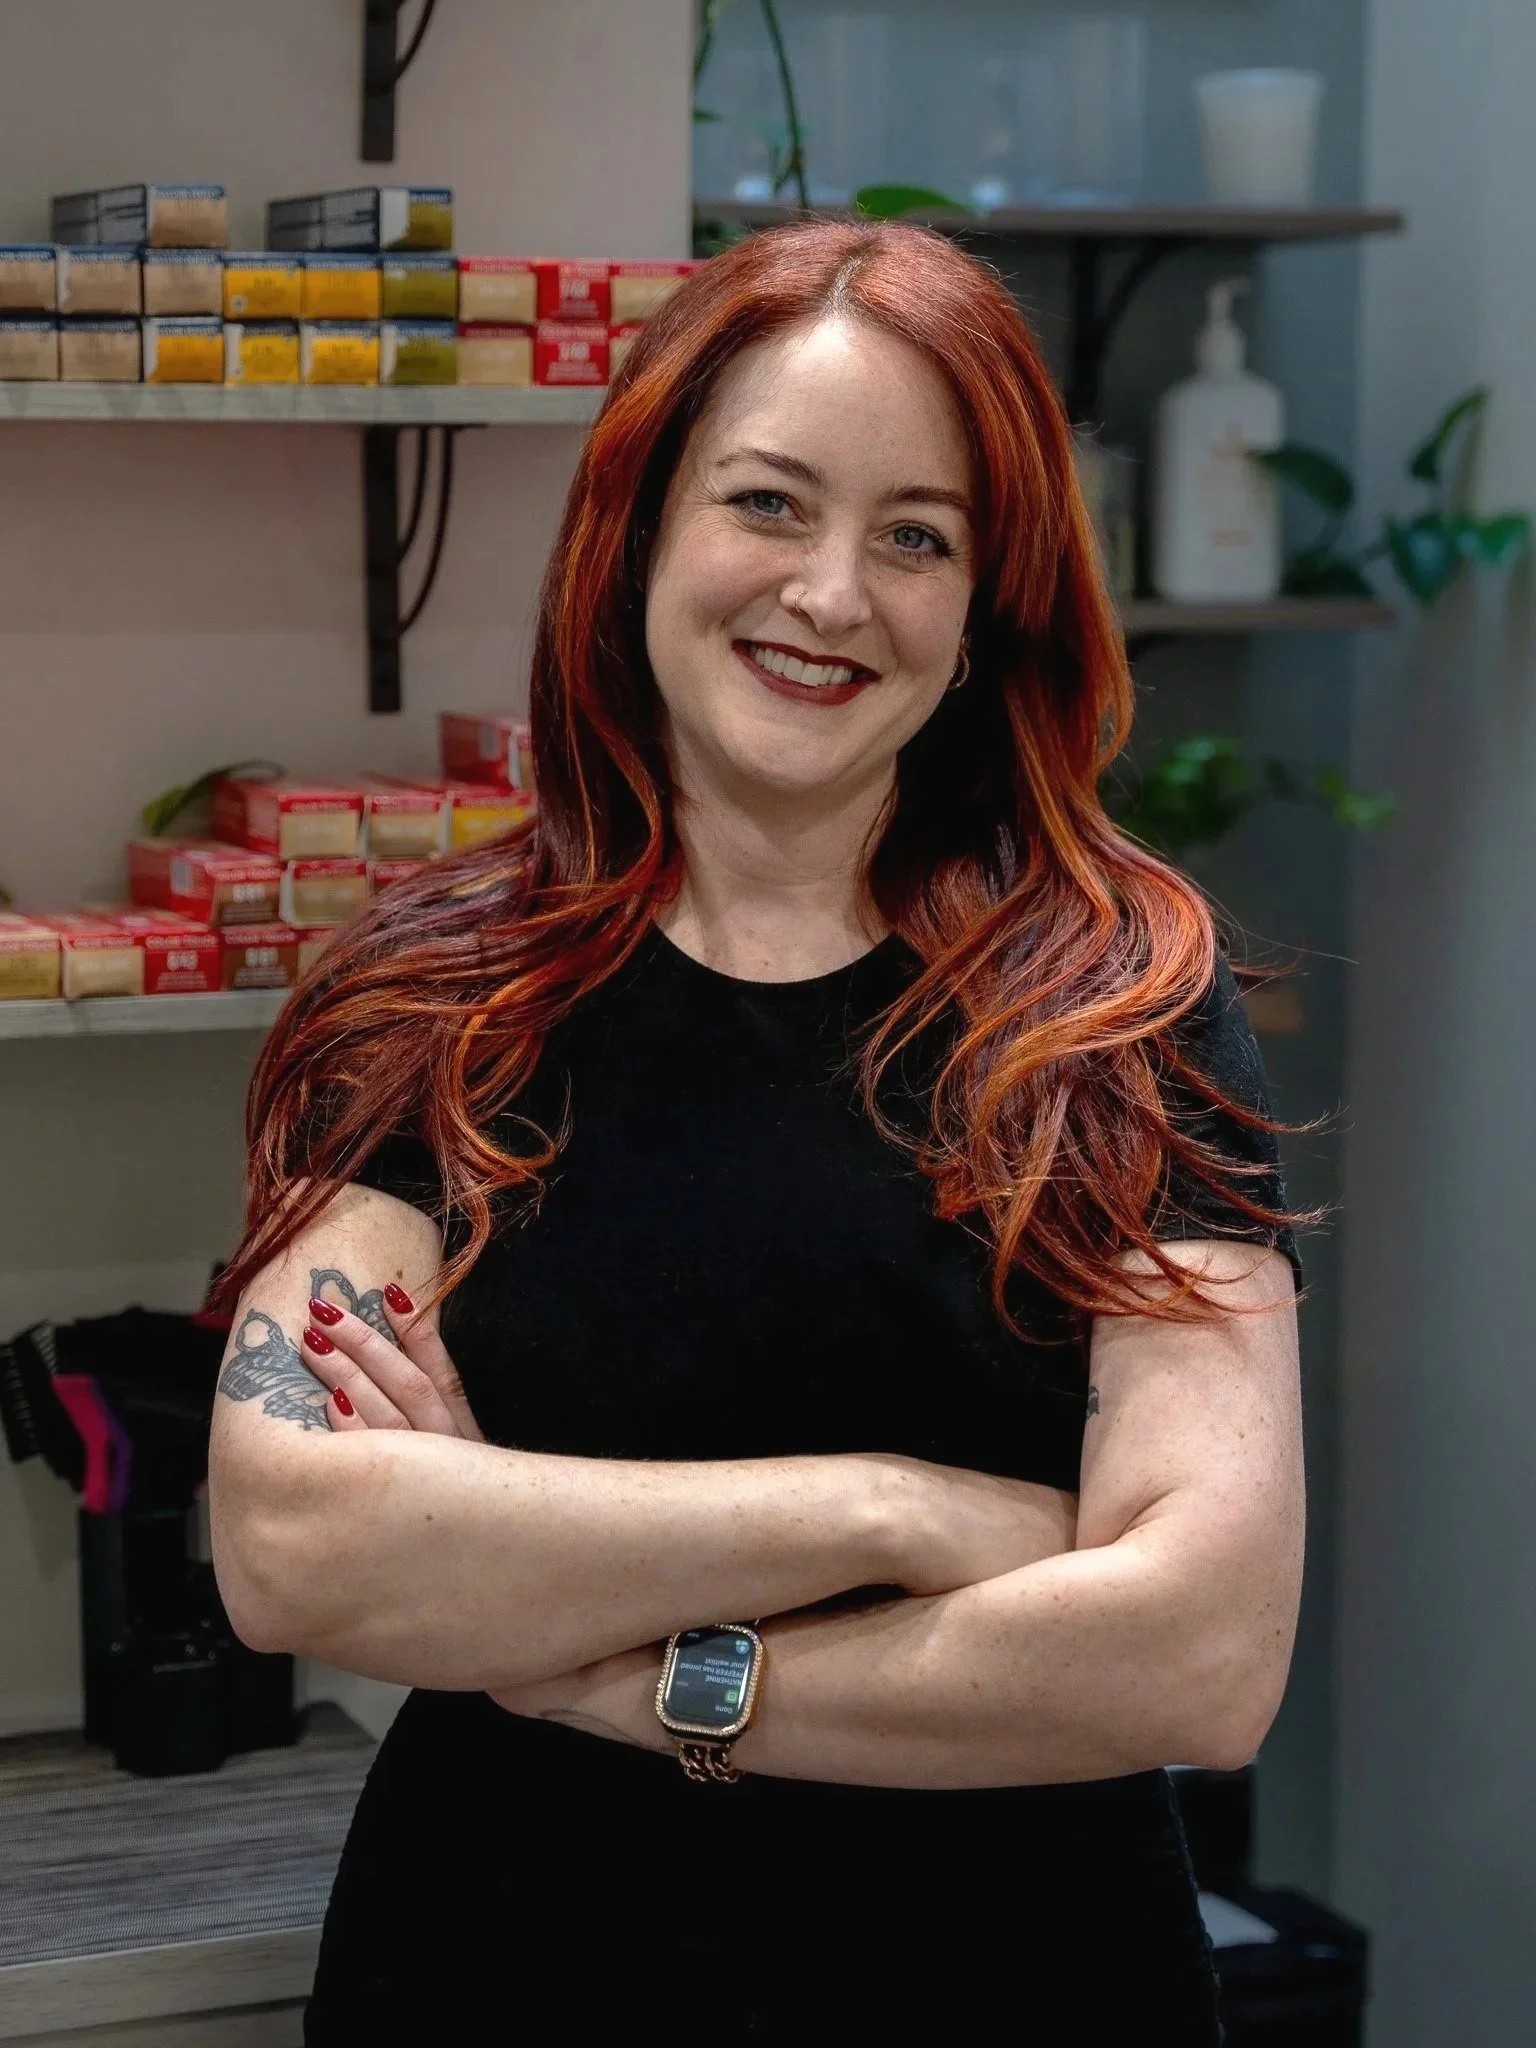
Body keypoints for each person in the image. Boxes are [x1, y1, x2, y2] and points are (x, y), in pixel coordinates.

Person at [209, 220, 1304, 2044]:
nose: (832, 592)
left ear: (988, 609)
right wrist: (901, 1510)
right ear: (640, 529)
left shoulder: (1118, 1011)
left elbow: (1199, 1651)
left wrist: (623, 1675)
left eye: (918, 537)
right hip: (507, 1975)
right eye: (769, 503)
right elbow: (293, 1545)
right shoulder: (439, 1003)